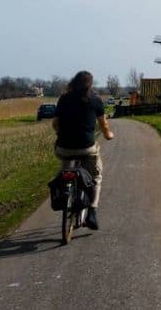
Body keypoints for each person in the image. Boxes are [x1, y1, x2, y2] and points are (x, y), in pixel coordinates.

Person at [52, 71, 115, 230]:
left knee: (66, 167)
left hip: (64, 148)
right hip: (87, 148)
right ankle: (92, 212)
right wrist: (108, 135)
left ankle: (65, 187)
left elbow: (55, 123)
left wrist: (60, 134)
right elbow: (104, 125)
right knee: (96, 176)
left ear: (73, 82)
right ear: (90, 85)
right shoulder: (95, 100)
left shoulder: (64, 99)